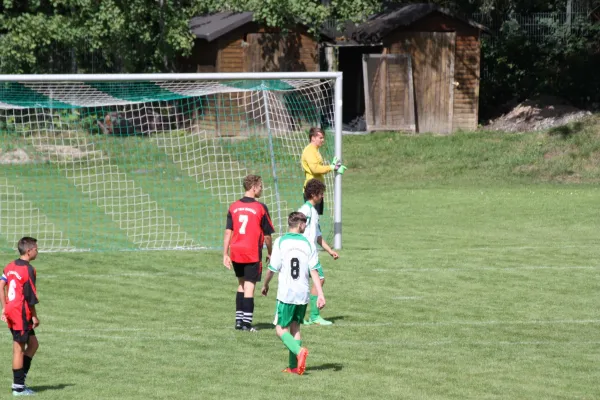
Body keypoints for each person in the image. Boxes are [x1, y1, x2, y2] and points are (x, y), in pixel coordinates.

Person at [261, 212, 325, 375]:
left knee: (280, 329)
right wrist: (321, 294)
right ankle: (293, 367)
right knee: (295, 327)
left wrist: (265, 284)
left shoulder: (281, 242)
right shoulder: (308, 244)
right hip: (302, 293)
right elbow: (315, 271)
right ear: (300, 224)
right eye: (305, 223)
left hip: (286, 294)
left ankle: (299, 351)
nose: (306, 226)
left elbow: (272, 269)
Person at [223, 175, 275, 332]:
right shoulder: (260, 208)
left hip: (236, 251)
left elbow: (228, 232)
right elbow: (267, 235)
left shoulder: (233, 206)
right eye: (260, 186)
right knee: (250, 286)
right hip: (252, 252)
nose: (261, 189)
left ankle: (239, 322)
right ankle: (246, 324)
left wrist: (225, 253)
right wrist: (270, 252)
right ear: (253, 187)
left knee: (241, 284)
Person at [0, 237, 40, 396]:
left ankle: (20, 379)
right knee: (18, 348)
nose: (38, 251)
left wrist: (4, 308)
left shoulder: (10, 266)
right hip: (20, 314)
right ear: (29, 251)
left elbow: (1, 285)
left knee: (33, 344)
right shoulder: (29, 270)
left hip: (12, 311)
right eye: (36, 249)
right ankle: (18, 388)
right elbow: (30, 297)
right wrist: (35, 316)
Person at [298, 179, 338, 326]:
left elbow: (318, 236)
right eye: (321, 194)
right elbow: (297, 230)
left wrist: (330, 250)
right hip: (306, 254)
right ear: (314, 194)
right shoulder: (305, 211)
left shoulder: (313, 211)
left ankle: (301, 317)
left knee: (306, 283)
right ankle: (314, 316)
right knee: (319, 278)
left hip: (310, 253)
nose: (322, 197)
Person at [301, 127, 347, 215]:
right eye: (320, 138)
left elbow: (318, 168)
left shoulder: (315, 150)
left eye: (323, 138)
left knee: (316, 218)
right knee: (312, 219)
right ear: (313, 138)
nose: (323, 140)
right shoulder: (310, 151)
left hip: (317, 190)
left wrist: (331, 167)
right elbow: (315, 169)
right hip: (312, 192)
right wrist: (331, 167)